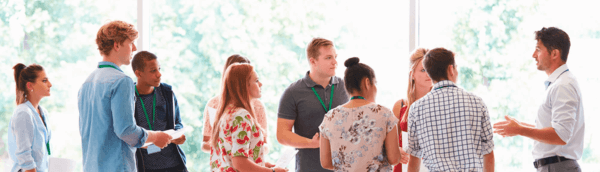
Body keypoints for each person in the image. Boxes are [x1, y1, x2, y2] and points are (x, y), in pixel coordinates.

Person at [78, 20, 172, 172]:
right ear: (117, 45)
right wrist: (156, 137)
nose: (134, 48)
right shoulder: (122, 81)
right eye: (131, 43)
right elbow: (126, 130)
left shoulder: (86, 83)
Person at [493, 27, 584, 172]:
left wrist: (521, 130)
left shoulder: (563, 85)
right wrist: (519, 126)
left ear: (554, 53)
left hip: (557, 168)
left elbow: (561, 135)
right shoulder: (559, 84)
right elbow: (555, 129)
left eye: (538, 50)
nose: (534, 55)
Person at [406, 48, 495, 172]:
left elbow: (414, 160)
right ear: (451, 69)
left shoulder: (416, 108)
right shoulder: (477, 102)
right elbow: (488, 153)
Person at [319, 57, 409, 172]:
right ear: (367, 82)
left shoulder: (329, 117)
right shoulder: (384, 113)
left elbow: (326, 163)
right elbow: (394, 159)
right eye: (375, 83)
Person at [277, 38, 349, 172]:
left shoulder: (346, 87)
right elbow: (282, 135)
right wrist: (312, 143)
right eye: (328, 58)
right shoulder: (293, 92)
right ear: (313, 61)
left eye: (335, 57)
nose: (335, 62)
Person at [209, 63, 287, 172]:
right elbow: (240, 164)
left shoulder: (227, 113)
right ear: (244, 85)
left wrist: (264, 165)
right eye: (256, 80)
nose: (261, 84)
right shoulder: (241, 116)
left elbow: (232, 159)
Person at [131, 51, 188, 172]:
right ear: (138, 73)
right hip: (145, 166)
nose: (159, 74)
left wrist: (178, 134)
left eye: (159, 69)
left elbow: (178, 122)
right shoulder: (128, 97)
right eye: (153, 71)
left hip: (175, 165)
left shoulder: (167, 93)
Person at [201, 54, 268, 153]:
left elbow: (264, 144)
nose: (260, 84)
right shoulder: (214, 104)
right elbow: (206, 142)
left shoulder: (257, 106)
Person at [391, 48, 431, 172]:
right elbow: (389, 143)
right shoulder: (400, 105)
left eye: (431, 69)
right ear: (412, 74)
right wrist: (396, 150)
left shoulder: (441, 105)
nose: (428, 73)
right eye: (423, 70)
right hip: (403, 166)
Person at [8, 63, 52, 172]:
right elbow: (24, 155)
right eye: (44, 81)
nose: (50, 84)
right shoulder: (23, 113)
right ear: (30, 86)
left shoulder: (43, 112)